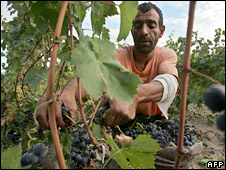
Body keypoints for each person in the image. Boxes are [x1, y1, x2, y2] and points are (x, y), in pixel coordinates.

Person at [36, 2, 179, 130]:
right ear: (131, 30)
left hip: (156, 123)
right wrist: (69, 90)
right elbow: (96, 78)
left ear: (161, 31)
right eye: (138, 25)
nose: (144, 31)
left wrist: (133, 95)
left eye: (151, 26)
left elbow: (170, 82)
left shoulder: (166, 55)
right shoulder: (119, 56)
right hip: (120, 122)